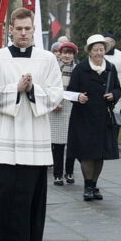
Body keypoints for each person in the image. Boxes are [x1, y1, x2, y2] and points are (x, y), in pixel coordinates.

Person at [0, 8, 63, 241]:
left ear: (34, 29)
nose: (23, 33)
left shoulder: (47, 59)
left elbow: (55, 94)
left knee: (25, 197)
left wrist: (32, 90)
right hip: (3, 137)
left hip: (33, 141)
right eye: (19, 29)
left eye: (28, 29)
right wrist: (16, 88)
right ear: (10, 30)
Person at [66, 35, 121, 201]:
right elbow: (70, 91)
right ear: (89, 52)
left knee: (100, 154)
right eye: (96, 50)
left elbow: (118, 88)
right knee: (87, 154)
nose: (99, 53)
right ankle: (87, 186)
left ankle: (94, 184)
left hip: (103, 117)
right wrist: (78, 97)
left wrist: (114, 95)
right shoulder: (80, 69)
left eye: (101, 49)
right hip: (83, 117)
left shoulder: (110, 68)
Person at [49, 42, 79, 186]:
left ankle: (69, 172)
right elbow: (48, 86)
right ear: (59, 53)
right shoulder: (53, 68)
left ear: (74, 54)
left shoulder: (78, 69)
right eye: (64, 52)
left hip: (72, 107)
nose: (67, 56)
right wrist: (53, 102)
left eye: (70, 53)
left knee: (72, 143)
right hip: (57, 107)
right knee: (58, 144)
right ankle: (57, 174)